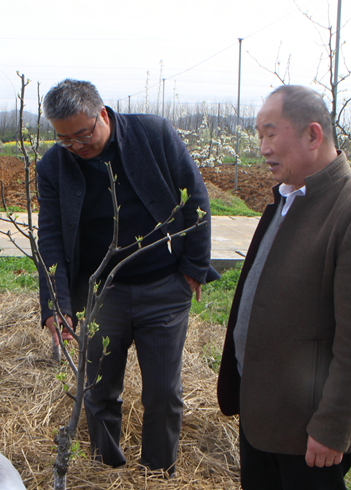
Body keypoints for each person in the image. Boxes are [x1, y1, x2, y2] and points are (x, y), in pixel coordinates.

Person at [216, 85, 351, 489]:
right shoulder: (288, 198)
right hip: (264, 418)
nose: (262, 147)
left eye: (270, 133)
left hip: (308, 432)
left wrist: (333, 426)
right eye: (258, 135)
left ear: (313, 135)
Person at [36, 79, 219, 475]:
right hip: (104, 294)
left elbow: (197, 200)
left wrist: (192, 269)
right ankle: (107, 469)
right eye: (65, 139)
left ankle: (158, 472)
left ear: (103, 114)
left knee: (164, 394)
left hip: (165, 288)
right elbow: (50, 236)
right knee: (99, 390)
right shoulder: (54, 165)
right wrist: (56, 303)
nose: (77, 146)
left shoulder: (154, 135)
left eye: (83, 134)